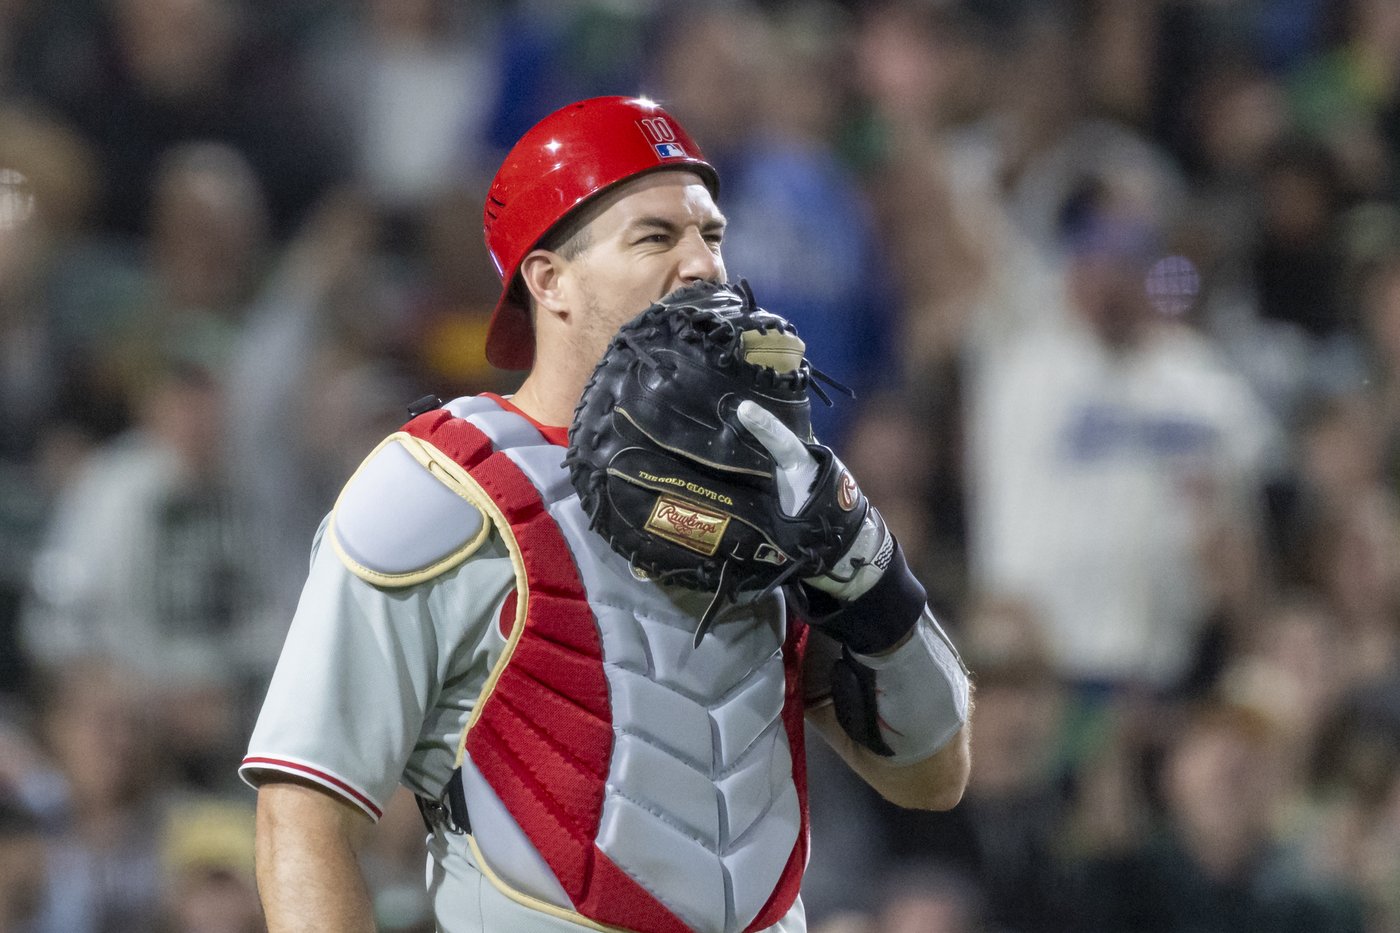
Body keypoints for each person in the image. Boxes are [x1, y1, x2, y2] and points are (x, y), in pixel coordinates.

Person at [241, 95, 972, 933]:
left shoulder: (775, 483)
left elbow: (933, 775)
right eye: (656, 236)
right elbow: (303, 810)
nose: (703, 265)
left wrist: (873, 583)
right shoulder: (439, 486)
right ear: (548, 279)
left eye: (712, 234)